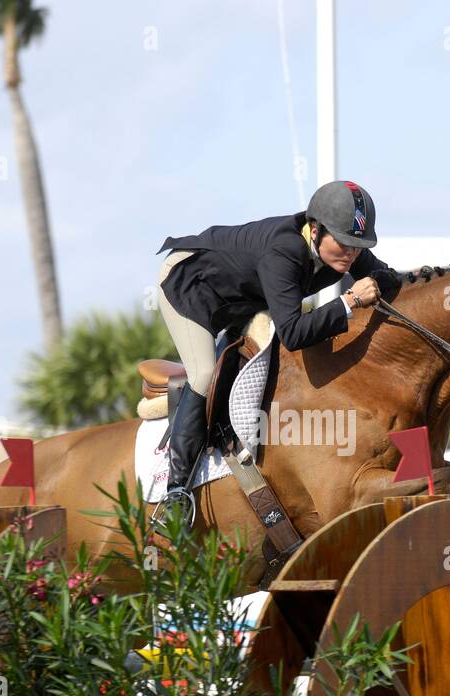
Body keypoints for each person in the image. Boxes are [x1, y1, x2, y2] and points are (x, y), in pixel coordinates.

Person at [154, 180, 402, 525]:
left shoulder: (342, 247)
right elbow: (295, 333)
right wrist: (350, 301)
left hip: (241, 297)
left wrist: (392, 281)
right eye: (345, 244)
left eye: (358, 247)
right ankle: (175, 492)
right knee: (204, 375)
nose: (352, 254)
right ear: (315, 230)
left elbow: (384, 276)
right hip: (190, 287)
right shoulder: (284, 252)